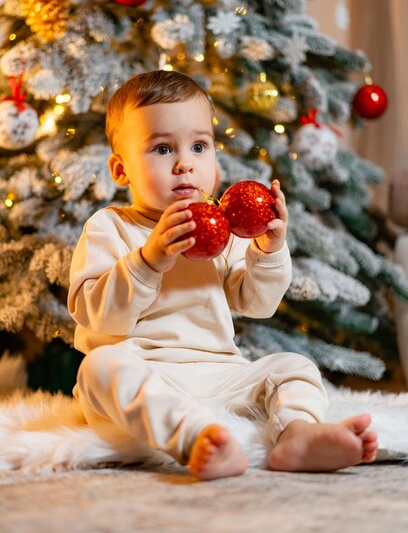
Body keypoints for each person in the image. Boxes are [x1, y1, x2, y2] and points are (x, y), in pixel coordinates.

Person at [68, 70, 377, 480]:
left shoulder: (220, 229)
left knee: (293, 365)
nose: (184, 164)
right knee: (99, 368)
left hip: (220, 372)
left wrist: (268, 249)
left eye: (199, 146)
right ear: (120, 170)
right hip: (145, 370)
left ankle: (297, 435)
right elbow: (98, 317)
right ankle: (197, 437)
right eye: (162, 149)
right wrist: (148, 259)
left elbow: (258, 303)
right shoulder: (109, 227)